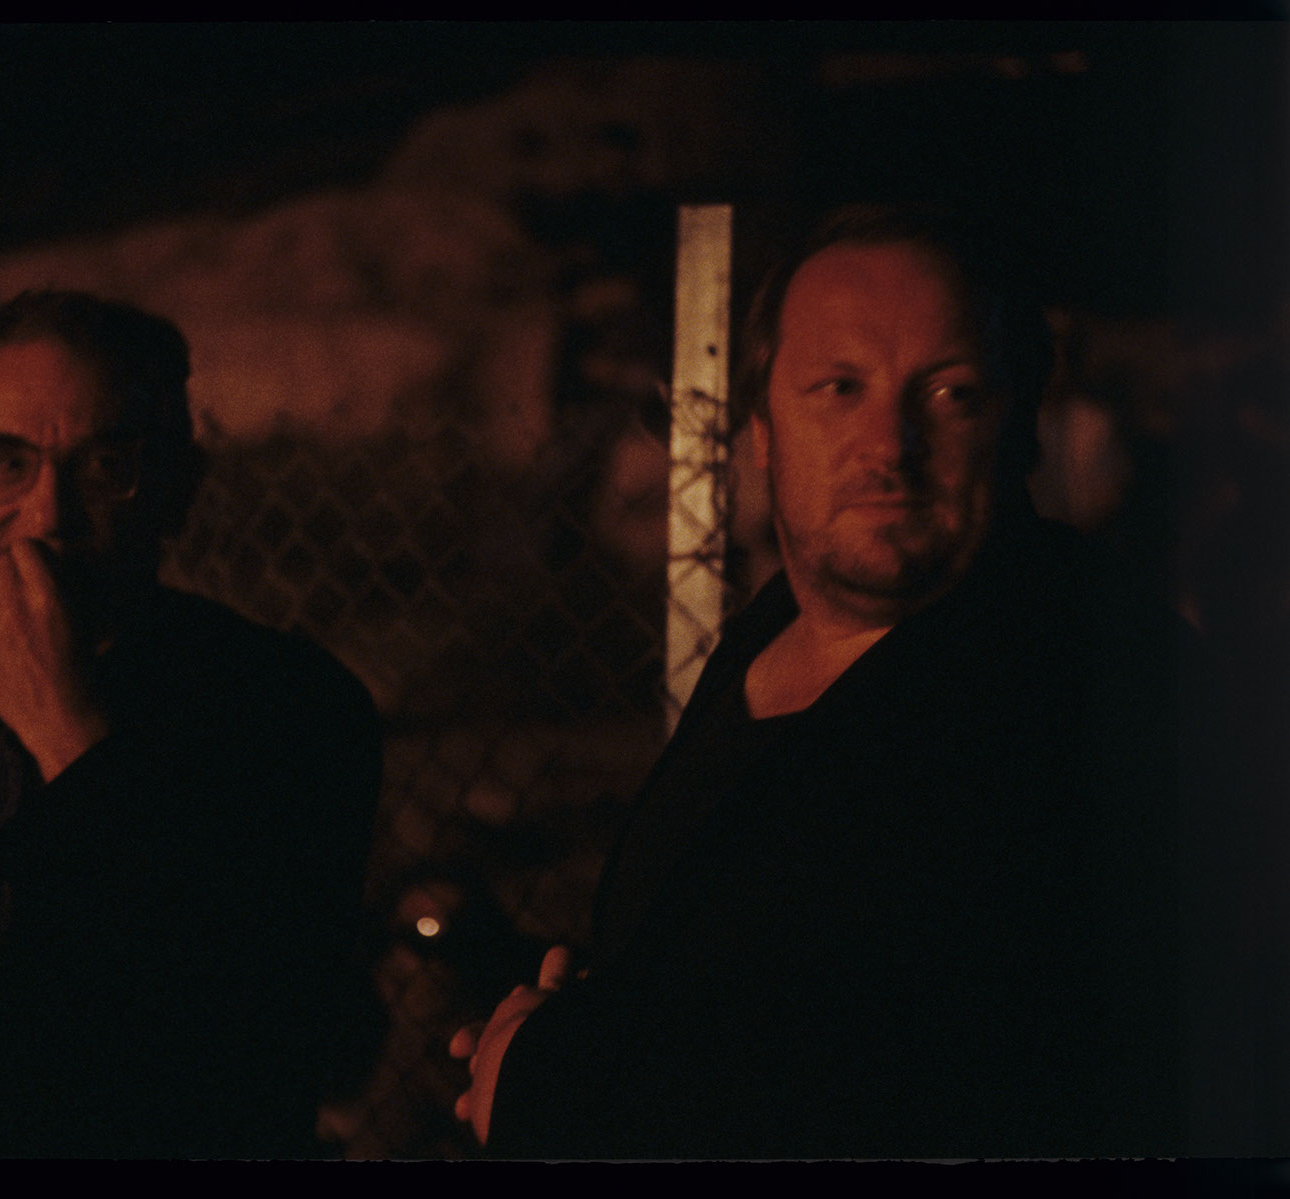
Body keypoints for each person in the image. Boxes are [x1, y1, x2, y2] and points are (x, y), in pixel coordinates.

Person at [451, 207, 1188, 1159]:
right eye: (838, 388)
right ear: (761, 429)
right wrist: (564, 1043)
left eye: (951, 393)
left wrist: (549, 1083)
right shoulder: (771, 636)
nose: (888, 445)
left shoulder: (1083, 685)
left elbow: (926, 1072)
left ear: (1016, 429)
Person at [0, 291, 382, 1158]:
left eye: (104, 466)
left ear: (176, 488)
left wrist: (69, 736)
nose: (48, 512)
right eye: (2, 461)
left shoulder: (290, 714)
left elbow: (231, 1052)